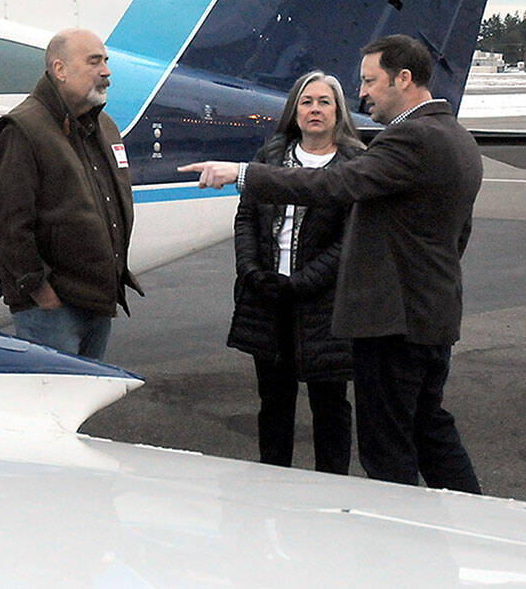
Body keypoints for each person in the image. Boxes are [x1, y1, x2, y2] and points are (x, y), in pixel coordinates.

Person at [181, 35, 482, 493]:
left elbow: (336, 184)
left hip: (393, 322)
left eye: (369, 80)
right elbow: (456, 235)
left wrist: (242, 174)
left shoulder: (412, 137)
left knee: (387, 449)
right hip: (429, 313)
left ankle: (395, 543)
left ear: (403, 79)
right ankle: (475, 520)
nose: (362, 93)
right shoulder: (454, 135)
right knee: (428, 429)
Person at [230, 70, 363, 474]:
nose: (315, 110)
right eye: (307, 102)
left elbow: (351, 240)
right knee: (273, 401)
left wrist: (304, 282)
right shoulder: (271, 155)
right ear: (294, 110)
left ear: (338, 111)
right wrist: (252, 271)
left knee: (330, 404)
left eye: (324, 102)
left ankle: (332, 487)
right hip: (268, 300)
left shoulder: (355, 163)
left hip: (323, 305)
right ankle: (273, 481)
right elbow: (246, 217)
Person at [0, 27, 141, 359]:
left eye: (106, 61)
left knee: (84, 400)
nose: (106, 71)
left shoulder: (105, 127)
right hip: (52, 310)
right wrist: (39, 290)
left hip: (98, 301)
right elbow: (8, 227)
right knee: (52, 402)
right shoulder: (21, 129)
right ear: (60, 70)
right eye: (94, 61)